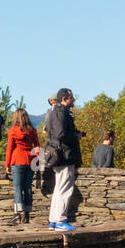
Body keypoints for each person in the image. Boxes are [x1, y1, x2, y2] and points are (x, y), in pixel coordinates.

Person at [42, 88, 84, 231]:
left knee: (59, 188)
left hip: (58, 155)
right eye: (72, 98)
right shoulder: (62, 112)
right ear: (65, 98)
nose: (74, 100)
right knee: (65, 189)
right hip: (65, 156)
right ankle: (60, 220)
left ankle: (53, 220)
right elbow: (61, 134)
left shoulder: (54, 112)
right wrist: (75, 137)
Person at [4, 109, 39, 225]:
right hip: (30, 160)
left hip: (18, 159)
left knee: (18, 188)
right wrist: (38, 162)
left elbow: (9, 149)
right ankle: (27, 214)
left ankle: (17, 215)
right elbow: (37, 147)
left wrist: (7, 164)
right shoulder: (32, 131)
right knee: (28, 188)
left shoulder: (13, 131)